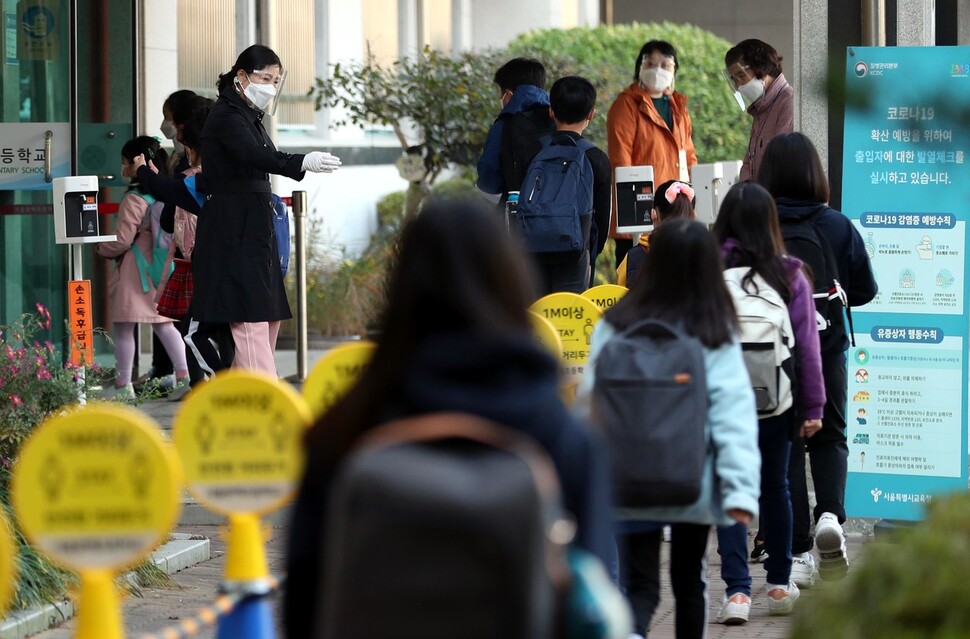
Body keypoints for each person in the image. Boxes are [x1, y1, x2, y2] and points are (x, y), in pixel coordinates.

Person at [284, 197, 613, 638]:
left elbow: (303, 609)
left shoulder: (343, 431)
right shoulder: (562, 438)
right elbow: (593, 602)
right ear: (511, 282)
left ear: (402, 291)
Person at [577, 218, 760, 639]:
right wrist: (739, 489)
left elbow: (590, 405)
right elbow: (732, 415)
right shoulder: (713, 329)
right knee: (689, 584)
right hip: (691, 483)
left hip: (627, 481)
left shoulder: (615, 323)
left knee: (639, 586)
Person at [758, 132, 877, 582]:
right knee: (829, 438)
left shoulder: (760, 226)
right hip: (826, 352)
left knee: (784, 446)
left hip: (770, 357)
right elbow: (865, 290)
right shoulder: (838, 226)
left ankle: (798, 552)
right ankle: (830, 516)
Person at [710, 182, 826, 623]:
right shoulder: (790, 273)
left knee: (728, 488)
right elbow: (808, 350)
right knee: (775, 485)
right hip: (777, 400)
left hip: (722, 400)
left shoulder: (707, 269)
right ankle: (778, 584)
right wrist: (812, 407)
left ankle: (737, 593)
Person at [194, 44, 340, 375]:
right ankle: (267, 399)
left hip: (253, 222)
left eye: (276, 80)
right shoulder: (226, 116)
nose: (271, 87)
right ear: (241, 76)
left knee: (267, 314)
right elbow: (254, 155)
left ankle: (248, 394)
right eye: (266, 78)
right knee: (249, 317)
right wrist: (301, 161)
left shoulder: (248, 116)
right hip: (233, 224)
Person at [135, 103, 235, 383]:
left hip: (197, 264)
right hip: (234, 266)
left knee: (192, 330)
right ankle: (231, 383)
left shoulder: (193, 179)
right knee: (229, 331)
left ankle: (209, 385)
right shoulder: (232, 176)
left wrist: (145, 172)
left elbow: (168, 218)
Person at [96, 136, 189, 396]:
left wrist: (101, 248)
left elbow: (122, 240)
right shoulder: (163, 192)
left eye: (125, 162)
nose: (123, 167)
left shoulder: (135, 199)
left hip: (134, 273)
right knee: (163, 325)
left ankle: (123, 386)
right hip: (159, 270)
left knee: (124, 328)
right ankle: (185, 378)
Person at [607, 40, 697, 265]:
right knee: (635, 274)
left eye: (666, 64)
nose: (658, 69)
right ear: (640, 67)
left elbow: (688, 154)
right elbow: (621, 160)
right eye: (650, 62)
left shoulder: (678, 106)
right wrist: (633, 211)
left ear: (674, 70)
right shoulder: (626, 105)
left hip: (674, 206)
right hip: (641, 209)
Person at [528, 75, 611, 294]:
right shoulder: (597, 159)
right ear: (591, 114)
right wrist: (590, 251)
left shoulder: (535, 153)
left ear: (551, 111)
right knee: (570, 318)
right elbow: (601, 223)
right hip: (576, 254)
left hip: (534, 252)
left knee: (539, 316)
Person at [476, 57, 553, 203]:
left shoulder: (505, 124)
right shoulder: (557, 119)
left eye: (501, 93)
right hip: (556, 213)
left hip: (517, 212)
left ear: (509, 94)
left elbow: (489, 173)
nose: (500, 98)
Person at [723, 39, 793, 182]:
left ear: (762, 66)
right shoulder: (760, 109)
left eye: (741, 76)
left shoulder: (788, 101)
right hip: (759, 200)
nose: (738, 85)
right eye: (734, 79)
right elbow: (749, 163)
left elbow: (781, 162)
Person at [615, 180, 695, 287]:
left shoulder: (633, 257)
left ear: (654, 214)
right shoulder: (703, 254)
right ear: (693, 216)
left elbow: (619, 293)